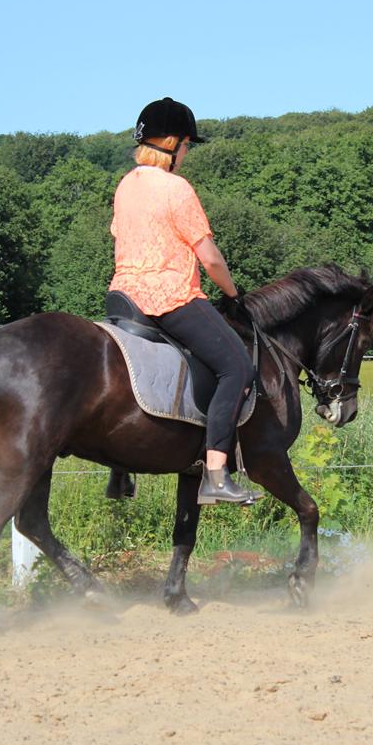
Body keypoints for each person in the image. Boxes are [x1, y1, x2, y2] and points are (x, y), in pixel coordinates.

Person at [109, 97, 259, 505]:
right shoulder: (176, 188)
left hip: (123, 296)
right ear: (172, 143)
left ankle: (119, 469)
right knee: (237, 367)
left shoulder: (126, 185)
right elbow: (210, 257)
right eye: (187, 145)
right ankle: (216, 476)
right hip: (168, 296)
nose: (187, 153)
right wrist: (233, 293)